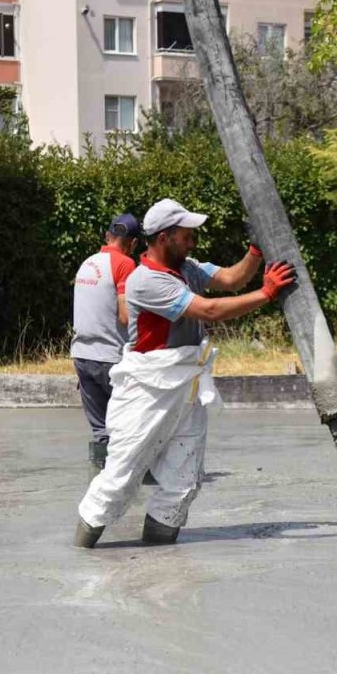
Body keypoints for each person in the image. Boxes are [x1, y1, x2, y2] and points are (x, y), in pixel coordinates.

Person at [74, 198, 295, 548]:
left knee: (184, 480)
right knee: (120, 480)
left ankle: (159, 563)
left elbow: (230, 278)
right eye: (187, 235)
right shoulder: (144, 280)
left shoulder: (187, 266)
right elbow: (207, 310)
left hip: (186, 386)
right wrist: (267, 293)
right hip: (147, 390)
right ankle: (82, 553)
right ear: (164, 237)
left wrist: (255, 250)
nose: (193, 241)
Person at [70, 214, 141, 480]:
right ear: (132, 243)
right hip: (111, 358)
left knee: (101, 431)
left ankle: (98, 485)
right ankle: (133, 483)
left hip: (81, 356)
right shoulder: (124, 264)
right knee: (131, 424)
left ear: (106, 236)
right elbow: (125, 315)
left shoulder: (87, 263)